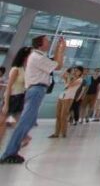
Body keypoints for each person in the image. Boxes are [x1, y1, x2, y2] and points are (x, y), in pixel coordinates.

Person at [1, 34, 67, 164]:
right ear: (40, 44)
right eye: (47, 41)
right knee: (24, 122)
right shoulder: (36, 57)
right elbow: (58, 66)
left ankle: (12, 150)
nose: (49, 43)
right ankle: (9, 153)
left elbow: (55, 63)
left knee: (28, 122)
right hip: (36, 90)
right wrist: (61, 50)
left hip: (36, 91)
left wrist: (59, 50)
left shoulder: (39, 56)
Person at [0, 47, 30, 153]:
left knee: (6, 121)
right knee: (7, 121)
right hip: (12, 97)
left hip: (18, 98)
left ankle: (24, 136)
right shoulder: (16, 69)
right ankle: (24, 136)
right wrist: (6, 104)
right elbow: (9, 87)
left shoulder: (23, 69)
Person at [52, 66, 83, 138]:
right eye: (75, 70)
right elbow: (62, 75)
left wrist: (69, 77)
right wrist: (68, 72)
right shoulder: (70, 76)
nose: (75, 72)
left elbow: (70, 84)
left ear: (80, 72)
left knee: (63, 116)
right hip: (62, 96)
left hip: (69, 98)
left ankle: (63, 133)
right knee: (58, 115)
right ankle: (56, 133)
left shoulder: (80, 80)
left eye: (77, 71)